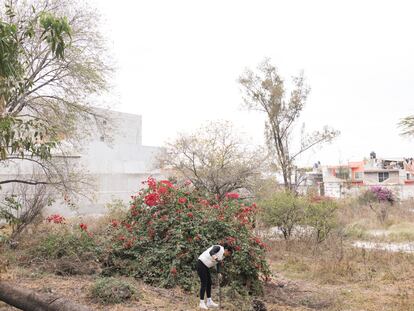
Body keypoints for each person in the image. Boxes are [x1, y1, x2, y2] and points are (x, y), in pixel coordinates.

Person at [197, 244, 231, 309]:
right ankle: (201, 303)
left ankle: (209, 302)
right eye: (229, 253)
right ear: (226, 250)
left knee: (209, 283)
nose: (228, 255)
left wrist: (219, 273)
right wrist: (216, 258)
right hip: (201, 263)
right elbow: (211, 252)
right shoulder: (218, 248)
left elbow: (218, 263)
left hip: (206, 266)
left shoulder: (223, 256)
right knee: (204, 283)